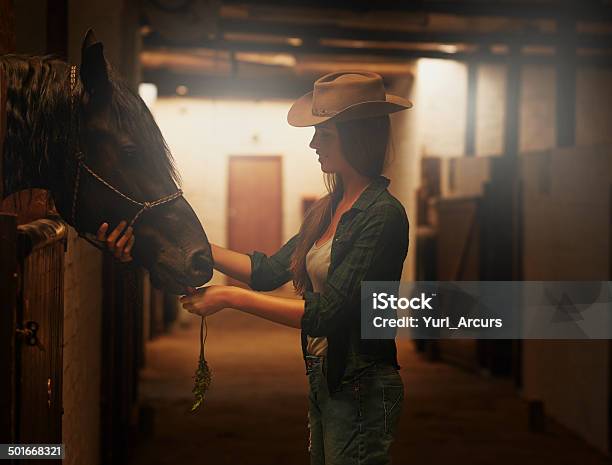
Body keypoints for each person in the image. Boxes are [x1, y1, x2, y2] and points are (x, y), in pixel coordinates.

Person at [100, 70, 412, 465]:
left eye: (325, 135)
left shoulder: (383, 216)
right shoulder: (328, 209)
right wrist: (187, 244)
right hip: (325, 375)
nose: (313, 143)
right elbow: (267, 271)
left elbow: (330, 313)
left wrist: (230, 297)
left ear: (357, 137)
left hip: (361, 382)